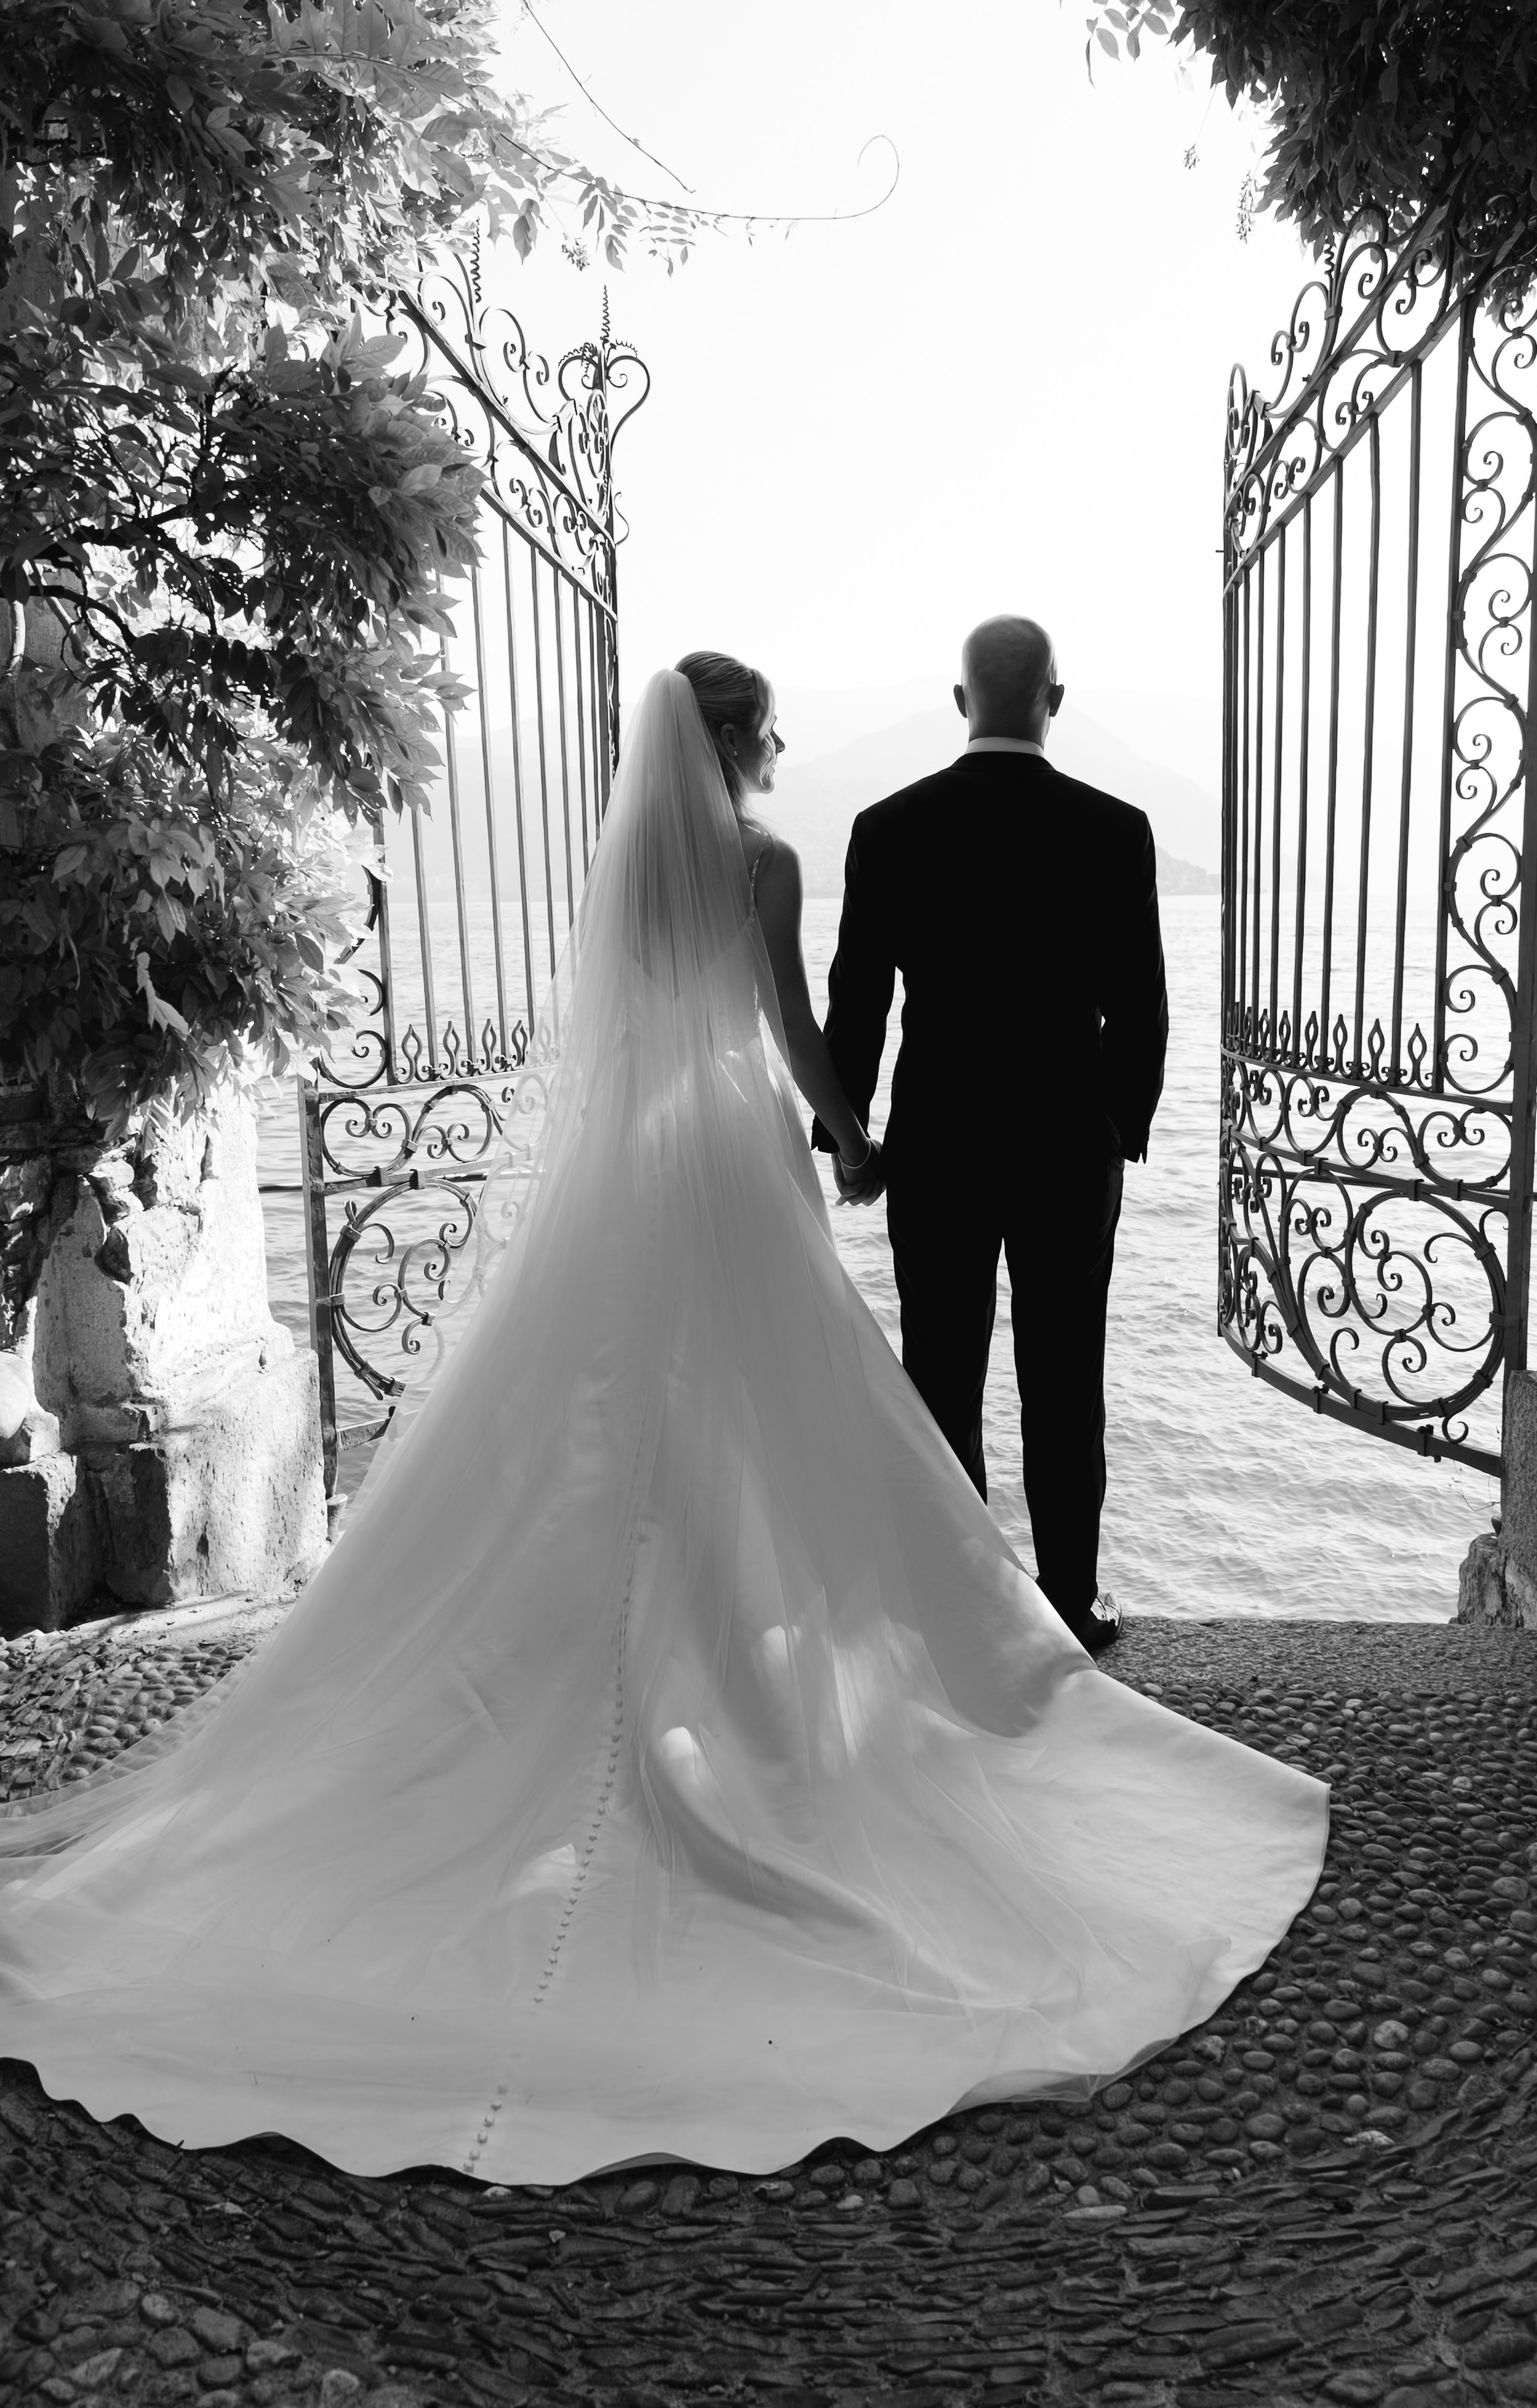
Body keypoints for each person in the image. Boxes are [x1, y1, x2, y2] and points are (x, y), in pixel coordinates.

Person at [0, 664, 1323, 2189]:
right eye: (766, 729)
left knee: (614, 1423)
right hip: (734, 1160)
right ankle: (758, 1663)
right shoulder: (762, 863)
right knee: (770, 1422)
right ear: (734, 741)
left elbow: (620, 1032)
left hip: (632, 1172)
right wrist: (852, 1137)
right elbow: (788, 1028)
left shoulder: (624, 866)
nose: (779, 746)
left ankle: (615, 1649)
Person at [813, 616, 1167, 1653]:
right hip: (1067, 1147)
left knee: (941, 1377)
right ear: (1054, 699)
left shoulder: (889, 826)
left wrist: (849, 1135)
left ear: (962, 702)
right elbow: (1141, 1006)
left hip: (940, 1145)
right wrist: (1118, 1126)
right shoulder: (1115, 828)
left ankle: (954, 1602)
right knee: (1065, 1377)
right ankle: (1072, 1600)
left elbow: (859, 999)